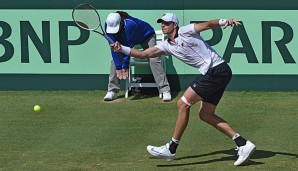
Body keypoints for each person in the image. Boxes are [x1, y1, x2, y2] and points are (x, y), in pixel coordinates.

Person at [111, 13, 256, 166]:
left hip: (216, 70)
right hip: (217, 73)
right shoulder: (167, 45)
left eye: (167, 23)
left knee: (182, 104)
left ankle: (171, 149)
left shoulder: (186, 31)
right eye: (162, 23)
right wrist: (122, 49)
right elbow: (143, 54)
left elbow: (207, 24)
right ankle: (243, 144)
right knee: (206, 114)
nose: (163, 25)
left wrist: (223, 22)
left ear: (175, 24)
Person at [103, 11, 171, 102]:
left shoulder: (130, 25)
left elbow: (128, 48)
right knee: (114, 62)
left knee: (154, 59)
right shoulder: (108, 25)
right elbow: (113, 49)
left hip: (147, 36)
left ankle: (165, 90)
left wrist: (125, 66)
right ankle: (112, 91)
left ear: (121, 23)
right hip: (128, 38)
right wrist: (119, 67)